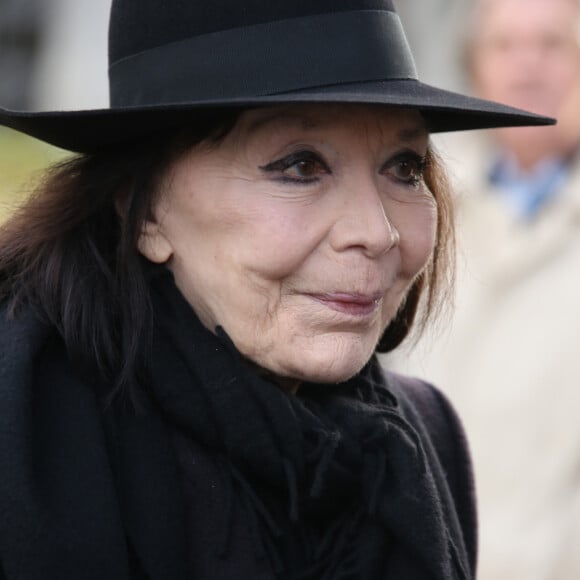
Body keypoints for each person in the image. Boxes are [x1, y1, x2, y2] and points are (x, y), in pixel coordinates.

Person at [0, 1, 551, 579]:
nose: (376, 232)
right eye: (299, 166)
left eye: (405, 168)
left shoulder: (421, 442)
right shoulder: (27, 437)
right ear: (145, 213)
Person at [387, 0, 580, 579]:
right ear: (475, 65)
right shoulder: (405, 202)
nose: (528, 66)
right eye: (504, 46)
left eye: (552, 45)